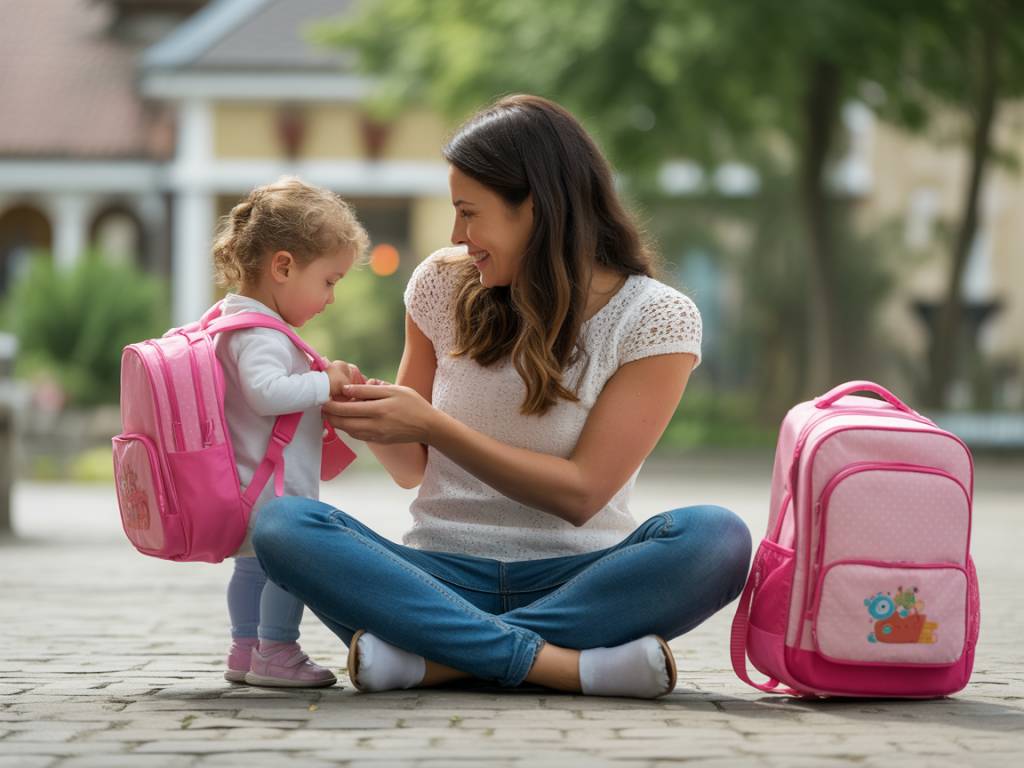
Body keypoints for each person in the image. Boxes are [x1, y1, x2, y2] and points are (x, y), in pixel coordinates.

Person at [252, 96, 751, 699]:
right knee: (283, 524)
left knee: (717, 538)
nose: (457, 236)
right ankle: (566, 667)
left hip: (582, 578)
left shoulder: (654, 318)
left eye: (469, 213)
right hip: (435, 578)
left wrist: (433, 425)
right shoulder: (441, 282)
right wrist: (371, 416)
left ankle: (437, 661)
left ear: (535, 209)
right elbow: (413, 468)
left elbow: (582, 493)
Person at [212, 177, 369, 687]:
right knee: (290, 567)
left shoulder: (230, 321)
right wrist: (324, 383)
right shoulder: (260, 334)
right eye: (328, 280)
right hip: (274, 489)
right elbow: (265, 392)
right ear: (282, 267)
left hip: (252, 484)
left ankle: (245, 648)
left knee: (252, 568)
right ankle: (276, 650)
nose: (331, 297)